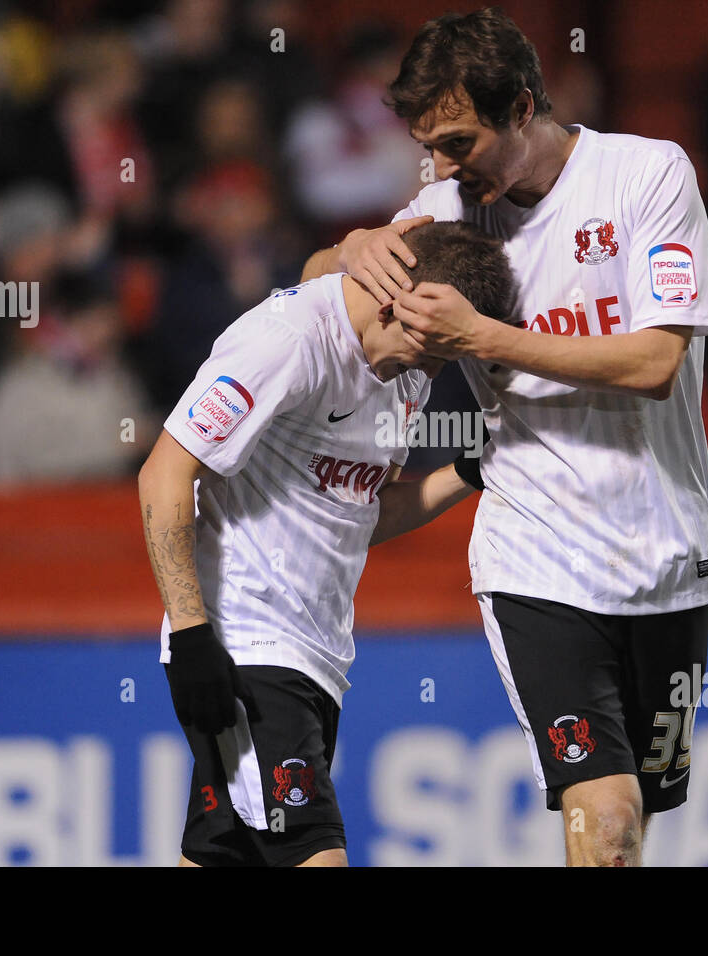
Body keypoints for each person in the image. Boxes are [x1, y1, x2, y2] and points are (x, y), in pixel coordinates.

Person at [301, 7, 708, 867]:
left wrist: (484, 339)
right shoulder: (447, 206)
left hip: (667, 547)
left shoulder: (646, 177)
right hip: (538, 553)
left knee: (633, 824)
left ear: (524, 108)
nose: (442, 168)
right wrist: (351, 248)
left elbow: (653, 362)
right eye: (429, 147)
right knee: (601, 812)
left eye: (459, 143)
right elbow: (311, 289)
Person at [138, 221, 515, 867]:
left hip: (317, 657)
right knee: (316, 853)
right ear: (401, 300)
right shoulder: (285, 343)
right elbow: (165, 470)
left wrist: (469, 471)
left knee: (222, 853)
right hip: (246, 646)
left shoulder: (410, 370)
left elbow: (363, 511)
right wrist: (194, 634)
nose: (432, 369)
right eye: (433, 350)